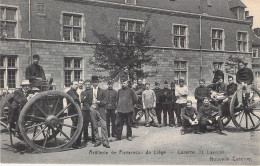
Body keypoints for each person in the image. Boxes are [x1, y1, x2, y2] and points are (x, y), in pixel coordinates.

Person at [87, 76, 109, 148]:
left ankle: (105, 141)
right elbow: (85, 101)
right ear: (92, 83)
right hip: (92, 109)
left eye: (96, 82)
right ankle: (97, 141)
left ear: (98, 82)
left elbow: (106, 101)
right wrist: (90, 107)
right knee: (94, 126)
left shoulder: (102, 91)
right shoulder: (89, 91)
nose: (95, 83)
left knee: (104, 125)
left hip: (100, 109)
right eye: (93, 82)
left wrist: (100, 102)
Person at [67, 80, 84, 149]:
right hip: (74, 112)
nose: (77, 86)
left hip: (75, 112)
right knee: (76, 127)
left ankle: (74, 142)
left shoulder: (74, 92)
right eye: (75, 84)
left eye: (77, 84)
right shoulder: (70, 92)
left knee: (75, 126)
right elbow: (75, 99)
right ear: (71, 85)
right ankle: (75, 144)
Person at [80, 79, 95, 144]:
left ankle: (94, 139)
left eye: (88, 84)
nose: (87, 86)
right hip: (85, 110)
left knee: (93, 124)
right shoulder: (83, 93)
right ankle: (85, 138)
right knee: (85, 125)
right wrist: (89, 107)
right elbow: (82, 101)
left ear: (90, 85)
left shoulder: (93, 92)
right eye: (86, 84)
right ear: (84, 85)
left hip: (93, 110)